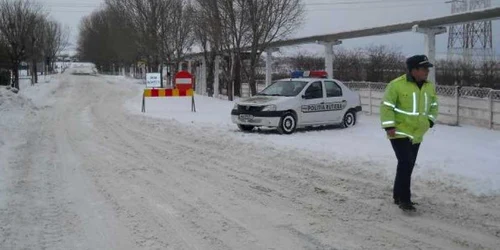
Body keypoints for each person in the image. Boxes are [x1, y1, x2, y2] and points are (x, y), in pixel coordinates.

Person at [380, 55, 439, 211]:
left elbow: (434, 105)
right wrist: (389, 126)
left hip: (417, 133)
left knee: (407, 164)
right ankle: (405, 200)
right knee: (406, 163)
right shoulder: (396, 85)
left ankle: (397, 195)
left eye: (427, 68)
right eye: (424, 68)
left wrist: (430, 121)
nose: (427, 71)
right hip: (399, 131)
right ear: (414, 70)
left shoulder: (428, 86)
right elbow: (386, 107)